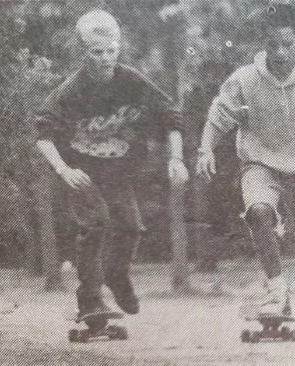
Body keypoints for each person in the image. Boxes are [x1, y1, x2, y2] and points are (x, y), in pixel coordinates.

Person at [196, 4, 295, 338]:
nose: (280, 53)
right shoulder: (245, 79)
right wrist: (206, 148)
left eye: (287, 45)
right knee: (258, 213)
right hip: (260, 162)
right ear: (263, 44)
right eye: (272, 45)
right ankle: (277, 291)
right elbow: (217, 116)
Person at [35, 10, 189, 320]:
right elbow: (43, 136)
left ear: (119, 46)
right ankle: (90, 299)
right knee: (96, 223)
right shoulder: (72, 89)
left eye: (111, 50)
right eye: (97, 52)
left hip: (117, 171)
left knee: (131, 227)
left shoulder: (131, 80)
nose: (106, 58)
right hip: (82, 172)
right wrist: (64, 170)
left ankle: (117, 275)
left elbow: (170, 115)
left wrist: (176, 157)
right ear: (84, 52)